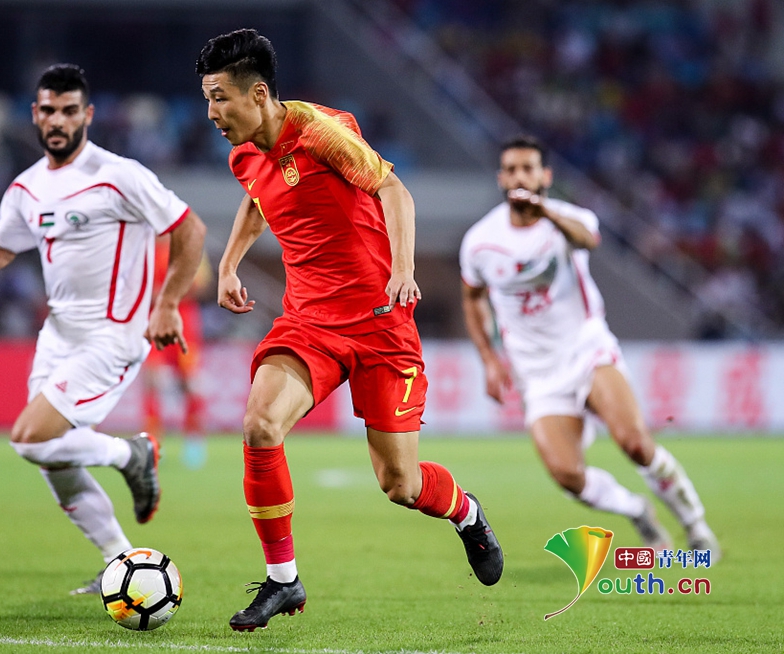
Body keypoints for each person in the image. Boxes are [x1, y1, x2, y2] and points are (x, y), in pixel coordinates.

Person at [196, 29, 503, 632]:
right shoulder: (243, 155)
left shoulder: (320, 133)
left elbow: (393, 189)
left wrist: (403, 270)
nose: (211, 113)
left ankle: (466, 513)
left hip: (380, 323)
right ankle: (283, 579)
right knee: (260, 425)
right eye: (207, 99)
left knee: (401, 484)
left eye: (219, 98)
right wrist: (229, 264)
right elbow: (258, 199)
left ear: (257, 94)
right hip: (309, 323)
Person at [0, 64, 207, 594]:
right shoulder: (27, 188)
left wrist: (168, 303)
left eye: (69, 111)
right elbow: (0, 249)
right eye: (49, 110)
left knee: (30, 439)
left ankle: (130, 454)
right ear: (35, 114)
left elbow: (189, 229)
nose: (58, 120)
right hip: (57, 337)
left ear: (87, 115)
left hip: (112, 335)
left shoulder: (119, 175)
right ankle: (119, 559)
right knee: (51, 458)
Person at [459, 135, 720, 560]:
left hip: (587, 350)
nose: (520, 177)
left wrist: (545, 212)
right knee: (567, 475)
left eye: (528, 168)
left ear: (545, 176)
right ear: (501, 178)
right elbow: (472, 298)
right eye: (511, 169)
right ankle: (636, 510)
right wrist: (489, 358)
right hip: (536, 372)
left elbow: (589, 240)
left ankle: (696, 526)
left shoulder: (569, 219)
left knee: (635, 444)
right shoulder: (480, 241)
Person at [141, 235, 213, 469]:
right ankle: (152, 442)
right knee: (152, 380)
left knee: (189, 382)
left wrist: (167, 293)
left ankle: (193, 439)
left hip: (184, 321)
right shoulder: (142, 245)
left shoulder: (188, 243)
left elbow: (201, 284)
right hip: (152, 320)